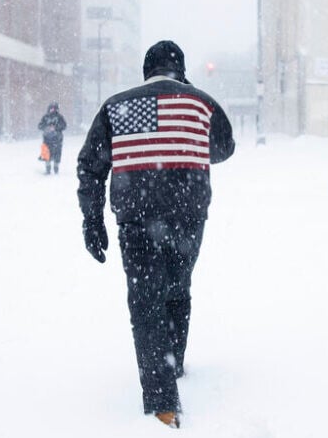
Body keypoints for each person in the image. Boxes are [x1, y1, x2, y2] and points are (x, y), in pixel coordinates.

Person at [76, 40, 235, 428]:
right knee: (177, 289)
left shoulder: (120, 105)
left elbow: (90, 166)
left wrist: (92, 219)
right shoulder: (201, 102)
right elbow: (223, 149)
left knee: (146, 302)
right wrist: (187, 123)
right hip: (189, 216)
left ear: (146, 70)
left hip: (137, 218)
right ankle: (172, 363)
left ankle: (163, 404)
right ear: (180, 69)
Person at [38, 102, 66, 174]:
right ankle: (48, 167)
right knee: (46, 153)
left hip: (57, 139)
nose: (52, 110)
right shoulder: (45, 117)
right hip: (47, 139)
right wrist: (47, 128)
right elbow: (40, 126)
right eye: (51, 109)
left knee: (57, 153)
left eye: (54, 109)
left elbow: (64, 125)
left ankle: (56, 167)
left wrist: (56, 128)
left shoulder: (60, 117)